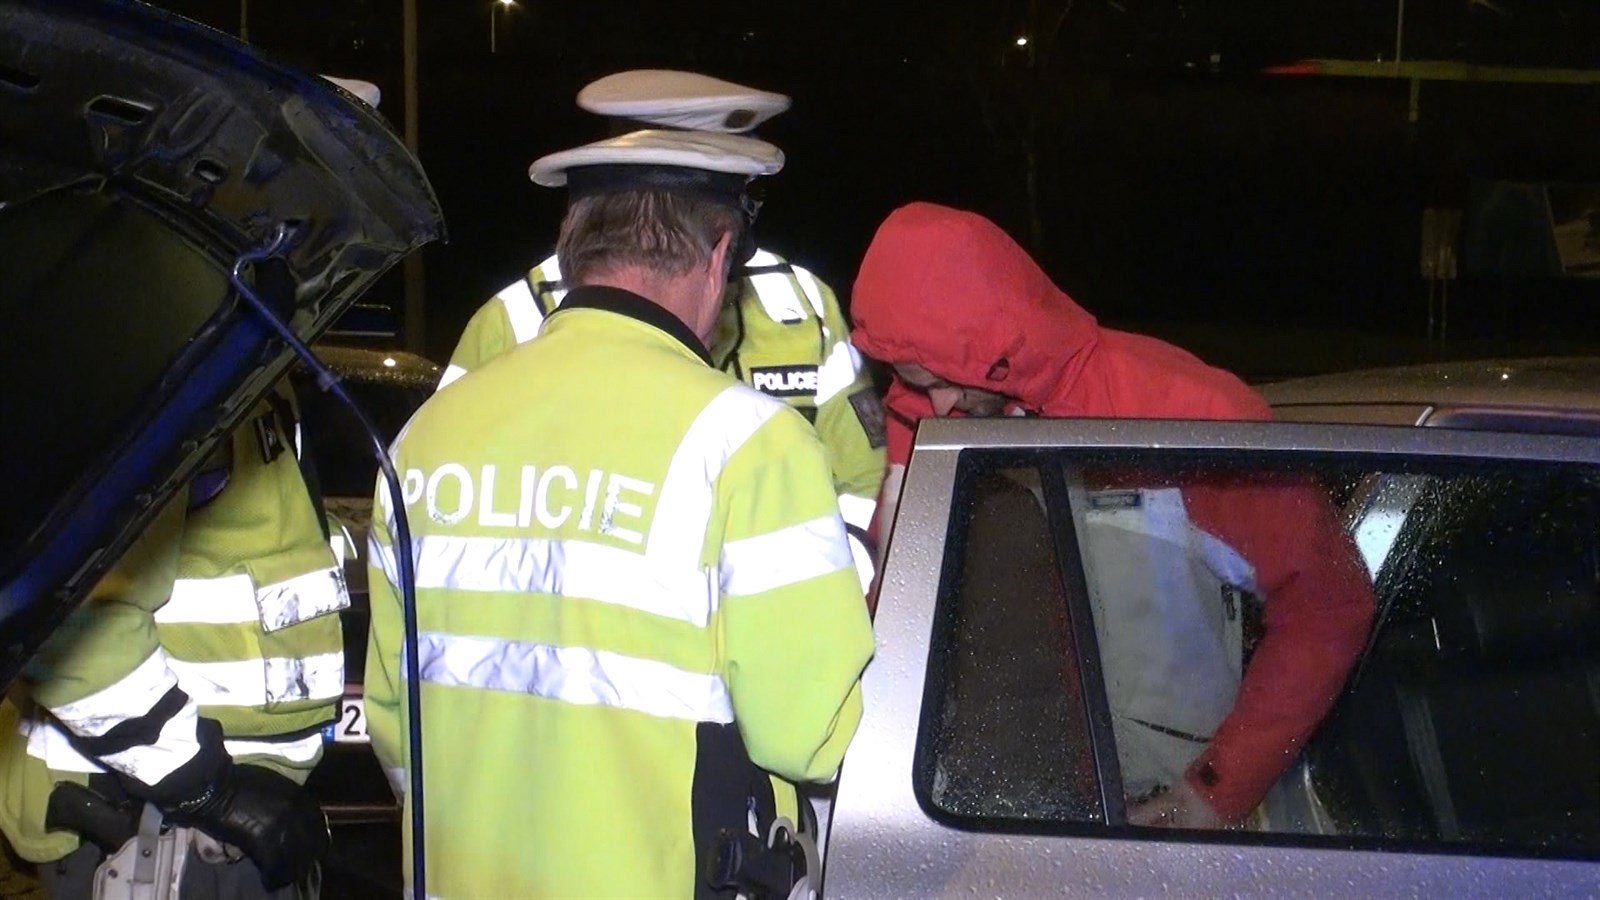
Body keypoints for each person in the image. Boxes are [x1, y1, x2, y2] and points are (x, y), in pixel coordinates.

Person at [364, 129, 875, 897]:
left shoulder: (423, 438)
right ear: (719, 256)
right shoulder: (754, 444)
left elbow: (393, 719)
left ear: (572, 249)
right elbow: (811, 735)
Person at [850, 201, 1375, 828]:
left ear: (1003, 347)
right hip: (981, 815)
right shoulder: (923, 421)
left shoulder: (1183, 416)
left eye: (946, 378)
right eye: (913, 378)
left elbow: (1329, 606)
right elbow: (894, 607)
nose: (938, 402)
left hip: (1165, 830)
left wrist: (1215, 790)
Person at [441, 70, 887, 593]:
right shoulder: (514, 318)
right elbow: (447, 506)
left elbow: (864, 487)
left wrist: (812, 586)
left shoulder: (804, 305)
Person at [0, 382, 341, 898]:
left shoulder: (248, 371)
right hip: (151, 823)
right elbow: (68, 610)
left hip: (208, 818)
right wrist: (206, 789)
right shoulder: (160, 365)